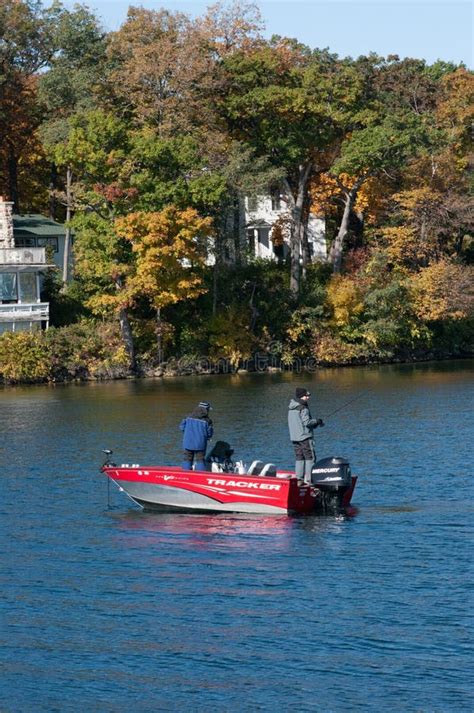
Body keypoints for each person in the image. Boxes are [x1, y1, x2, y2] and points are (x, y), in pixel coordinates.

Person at [288, 387, 324, 484]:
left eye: (308, 396)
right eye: (306, 396)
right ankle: (310, 480)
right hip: (305, 437)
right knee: (310, 458)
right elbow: (307, 422)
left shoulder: (291, 408)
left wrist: (314, 424)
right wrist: (317, 421)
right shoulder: (303, 408)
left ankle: (299, 479)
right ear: (301, 396)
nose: (308, 397)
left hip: (295, 438)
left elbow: (298, 423)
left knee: (299, 458)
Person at [179, 401, 214, 471]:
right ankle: (201, 475)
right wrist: (208, 437)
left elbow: (181, 427)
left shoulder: (187, 417)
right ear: (206, 410)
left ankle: (186, 473)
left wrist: (187, 433)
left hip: (188, 442)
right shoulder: (207, 421)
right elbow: (209, 433)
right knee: (200, 459)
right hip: (200, 444)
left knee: (187, 458)